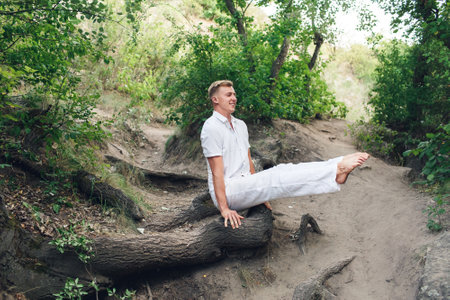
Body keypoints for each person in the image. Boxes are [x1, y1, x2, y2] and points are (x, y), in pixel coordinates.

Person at [200, 80, 369, 229]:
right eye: (228, 95)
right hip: (229, 191)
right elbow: (216, 172)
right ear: (215, 99)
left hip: (245, 184)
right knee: (275, 178)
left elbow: (248, 160)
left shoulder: (240, 125)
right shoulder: (211, 127)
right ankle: (336, 169)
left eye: (234, 94)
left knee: (282, 169)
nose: (234, 98)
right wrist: (224, 208)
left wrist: (259, 193)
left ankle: (335, 168)